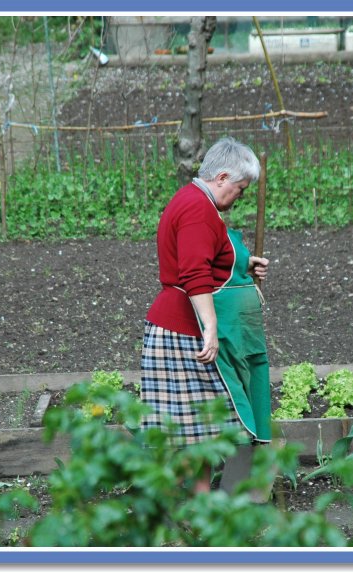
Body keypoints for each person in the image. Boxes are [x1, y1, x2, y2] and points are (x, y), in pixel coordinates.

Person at [140, 136, 272, 494]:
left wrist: (244, 263)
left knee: (201, 429)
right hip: (184, 330)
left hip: (182, 326)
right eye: (240, 189)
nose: (240, 197)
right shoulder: (198, 209)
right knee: (201, 428)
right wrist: (210, 327)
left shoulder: (193, 201)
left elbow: (212, 259)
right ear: (222, 177)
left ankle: (198, 501)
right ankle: (175, 501)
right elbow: (195, 271)